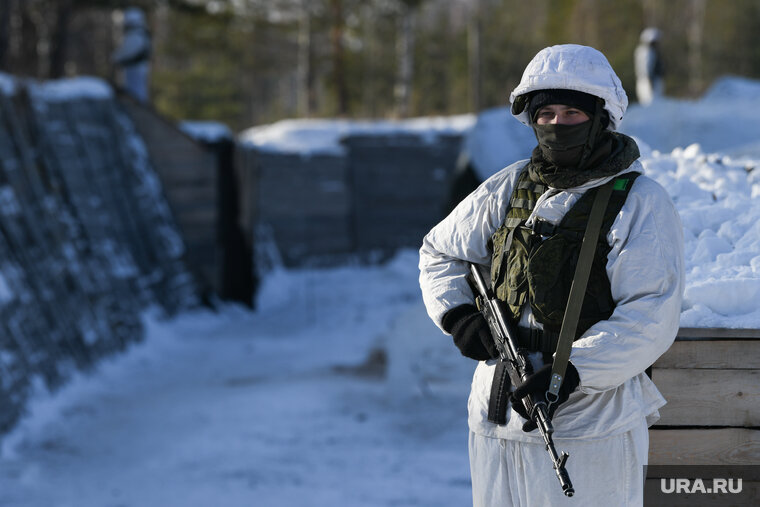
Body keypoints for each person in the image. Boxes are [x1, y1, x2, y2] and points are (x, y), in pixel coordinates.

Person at [418, 44, 684, 506]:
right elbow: (440, 252)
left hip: (589, 426)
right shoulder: (508, 186)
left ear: (601, 118)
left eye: (573, 113)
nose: (557, 126)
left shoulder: (639, 202)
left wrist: (574, 371)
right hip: (496, 416)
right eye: (547, 114)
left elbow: (650, 314)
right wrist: (459, 315)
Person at [112, 7, 152, 103]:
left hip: (135, 68)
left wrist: (116, 58)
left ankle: (139, 109)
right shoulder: (140, 34)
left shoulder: (136, 35)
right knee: (136, 90)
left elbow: (127, 52)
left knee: (135, 92)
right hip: (135, 67)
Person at [634, 27, 665, 105]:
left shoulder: (647, 51)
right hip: (650, 82)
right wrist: (650, 82)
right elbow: (645, 70)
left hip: (650, 81)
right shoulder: (647, 52)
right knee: (650, 103)